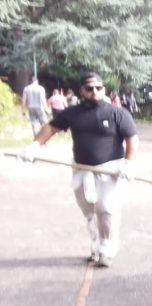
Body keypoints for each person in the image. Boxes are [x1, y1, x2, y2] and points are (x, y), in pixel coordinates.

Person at [22, 72, 139, 268]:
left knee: (106, 208)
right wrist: (34, 145)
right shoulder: (73, 113)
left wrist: (128, 162)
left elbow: (132, 138)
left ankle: (107, 248)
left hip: (111, 171)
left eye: (98, 88)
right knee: (90, 212)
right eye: (89, 88)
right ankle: (96, 244)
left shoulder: (117, 113)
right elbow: (51, 128)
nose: (94, 91)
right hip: (81, 170)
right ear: (82, 91)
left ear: (104, 89)